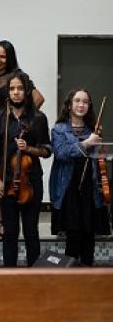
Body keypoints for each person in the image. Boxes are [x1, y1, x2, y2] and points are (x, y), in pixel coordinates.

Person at [0, 41, 45, 241]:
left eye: (2, 56)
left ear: (10, 59)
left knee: (10, 176)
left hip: (14, 131)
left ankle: (4, 225)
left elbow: (39, 98)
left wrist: (23, 117)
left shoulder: (16, 77)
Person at [0, 71, 51, 267]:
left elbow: (47, 151)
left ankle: (34, 275)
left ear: (27, 91)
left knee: (31, 230)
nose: (16, 92)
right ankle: (10, 276)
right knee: (10, 230)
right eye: (12, 89)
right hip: (6, 181)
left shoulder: (38, 118)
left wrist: (29, 149)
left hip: (31, 181)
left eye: (20, 89)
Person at [49, 89, 110, 266]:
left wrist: (101, 148)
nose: (81, 104)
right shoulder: (59, 129)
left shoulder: (93, 130)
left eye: (85, 102)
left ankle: (88, 278)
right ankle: (71, 278)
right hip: (68, 188)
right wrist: (86, 143)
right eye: (77, 101)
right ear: (69, 105)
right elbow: (61, 153)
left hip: (90, 188)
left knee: (89, 234)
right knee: (73, 235)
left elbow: (99, 158)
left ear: (89, 106)